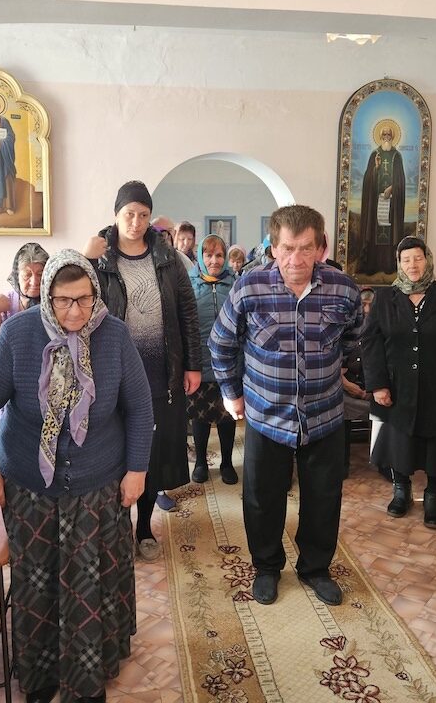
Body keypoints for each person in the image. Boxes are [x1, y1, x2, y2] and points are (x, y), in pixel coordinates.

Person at [0, 249, 153, 703]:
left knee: (91, 580)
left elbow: (140, 408)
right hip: (30, 484)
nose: (75, 311)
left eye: (85, 299)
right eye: (64, 300)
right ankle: (42, 673)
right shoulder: (18, 334)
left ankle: (90, 673)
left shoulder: (114, 335)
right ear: (47, 297)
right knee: (37, 580)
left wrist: (137, 470)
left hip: (98, 482)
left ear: (96, 294)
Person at [210, 204, 362, 607]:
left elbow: (353, 340)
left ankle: (315, 568)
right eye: (289, 249)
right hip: (266, 414)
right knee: (262, 498)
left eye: (306, 248)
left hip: (324, 414)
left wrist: (334, 369)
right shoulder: (249, 288)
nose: (297, 259)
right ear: (273, 248)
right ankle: (266, 567)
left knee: (324, 498)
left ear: (321, 247)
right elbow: (221, 343)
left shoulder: (343, 289)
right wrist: (231, 392)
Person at [92, 181, 201, 562]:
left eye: (143, 215)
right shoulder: (100, 258)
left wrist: (193, 365)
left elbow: (187, 312)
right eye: (129, 214)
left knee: (151, 455)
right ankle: (117, 527)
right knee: (114, 453)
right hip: (114, 375)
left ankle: (143, 528)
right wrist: (85, 257)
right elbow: (71, 296)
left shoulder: (167, 258)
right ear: (116, 215)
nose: (136, 222)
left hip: (160, 374)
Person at [361, 237, 436, 529]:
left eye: (418, 258)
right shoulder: (384, 298)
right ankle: (401, 491)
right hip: (397, 389)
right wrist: (378, 385)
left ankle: (434, 496)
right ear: (399, 264)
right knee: (400, 443)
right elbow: (371, 343)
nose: (412, 265)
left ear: (428, 260)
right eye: (406, 259)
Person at [187, 233, 238, 485]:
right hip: (200, 363)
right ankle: (200, 463)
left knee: (227, 416)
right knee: (200, 416)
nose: (214, 261)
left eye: (219, 255)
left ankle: (227, 462)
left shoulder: (235, 284)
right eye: (208, 255)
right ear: (200, 256)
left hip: (229, 363)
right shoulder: (189, 284)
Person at [358, 124, 406, 275]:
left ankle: (389, 266)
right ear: (380, 136)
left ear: (392, 137)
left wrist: (392, 188)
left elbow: (401, 181)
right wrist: (376, 168)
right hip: (376, 202)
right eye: (384, 134)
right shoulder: (375, 154)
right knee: (374, 230)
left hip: (392, 203)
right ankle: (373, 265)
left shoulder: (397, 156)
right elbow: (367, 180)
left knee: (390, 232)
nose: (386, 137)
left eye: (389, 134)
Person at [342, 286, 376, 477]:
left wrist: (374, 388)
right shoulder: (346, 328)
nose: (367, 310)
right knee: (338, 406)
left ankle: (386, 464)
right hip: (348, 389)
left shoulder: (383, 327)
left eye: (371, 304)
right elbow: (338, 366)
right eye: (363, 304)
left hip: (375, 389)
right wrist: (348, 386)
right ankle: (341, 464)